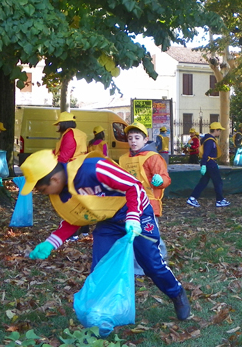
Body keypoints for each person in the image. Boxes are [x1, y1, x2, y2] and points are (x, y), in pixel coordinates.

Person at [20, 149, 190, 321]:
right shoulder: (63, 192)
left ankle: (177, 293)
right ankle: (101, 312)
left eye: (42, 189)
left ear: (54, 179)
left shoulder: (94, 169)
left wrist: (132, 217)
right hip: (109, 221)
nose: (44, 194)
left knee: (151, 264)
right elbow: (75, 217)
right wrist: (51, 242)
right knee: (100, 267)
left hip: (138, 212)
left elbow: (134, 187)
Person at [119, 122, 171, 275]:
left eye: (137, 137)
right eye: (130, 138)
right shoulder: (123, 159)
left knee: (151, 235)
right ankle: (137, 268)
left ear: (145, 139)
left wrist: (160, 181)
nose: (133, 141)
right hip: (129, 203)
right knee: (133, 235)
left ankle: (160, 263)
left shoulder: (153, 157)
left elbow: (165, 178)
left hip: (149, 203)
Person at [186, 121, 230, 208]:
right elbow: (206, 153)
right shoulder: (210, 141)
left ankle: (192, 198)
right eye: (219, 130)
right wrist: (204, 164)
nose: (220, 132)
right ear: (216, 130)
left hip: (210, 163)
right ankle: (219, 200)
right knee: (218, 182)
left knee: (203, 182)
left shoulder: (209, 139)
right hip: (210, 164)